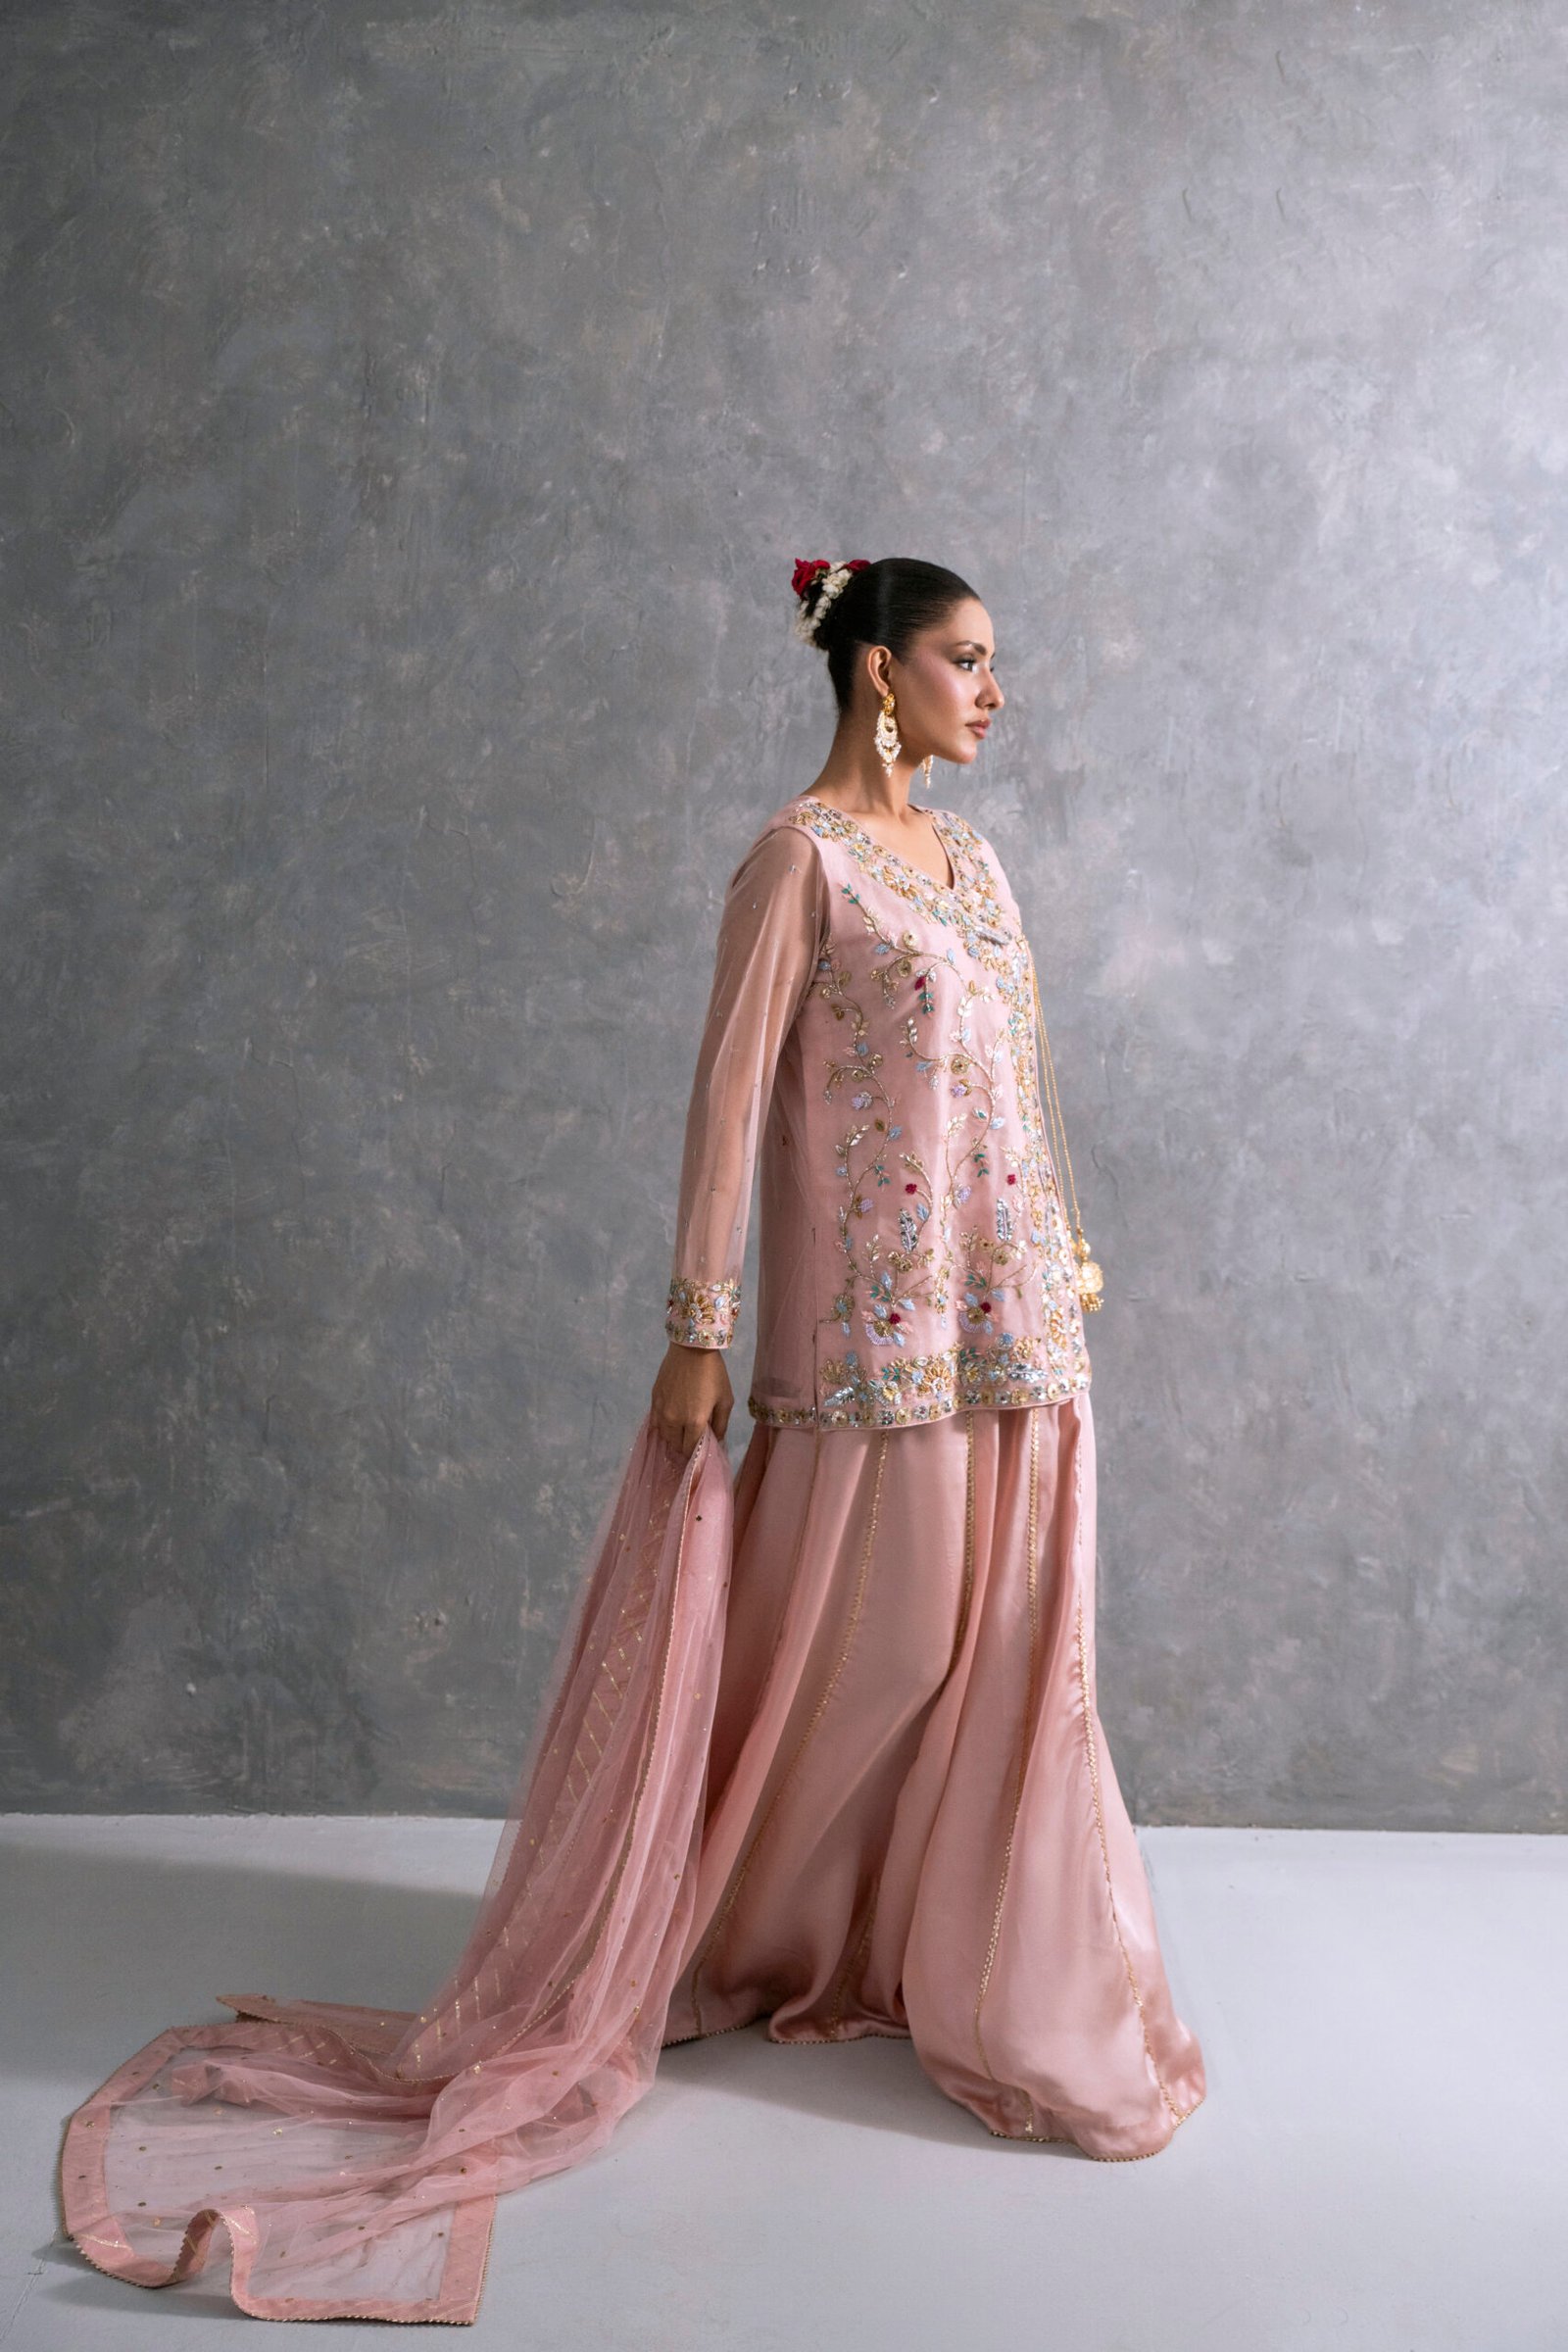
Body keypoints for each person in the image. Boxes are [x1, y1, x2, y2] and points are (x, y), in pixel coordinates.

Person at [59, 556, 1205, 2328]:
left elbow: (1021, 1085)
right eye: (968, 661)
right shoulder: (798, 864)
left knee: (1011, 1657)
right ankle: (741, 1932)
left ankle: (974, 1969)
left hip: (1017, 1330)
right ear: (878, 672)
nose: (996, 693)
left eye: (995, 664)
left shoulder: (973, 865)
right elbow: (729, 1102)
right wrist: (699, 1326)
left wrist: (1060, 1258)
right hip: (874, 1340)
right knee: (876, 1653)